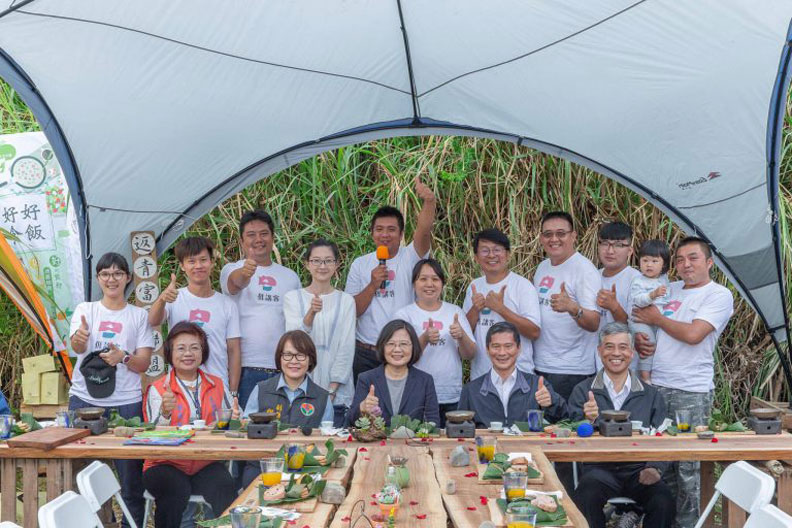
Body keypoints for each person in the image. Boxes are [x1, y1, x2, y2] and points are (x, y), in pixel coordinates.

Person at [632, 237, 734, 527]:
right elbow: (641, 315)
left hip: (691, 390)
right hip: (656, 385)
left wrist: (657, 319)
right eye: (679, 259)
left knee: (688, 466)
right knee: (658, 464)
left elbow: (693, 335)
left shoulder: (718, 295)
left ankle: (690, 524)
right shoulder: (670, 288)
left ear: (709, 263)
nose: (685, 264)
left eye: (693, 258)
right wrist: (644, 340)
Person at [68, 252, 153, 527]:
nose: (111, 279)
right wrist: (80, 339)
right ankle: (101, 523)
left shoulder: (139, 315)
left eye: (118, 273)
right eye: (105, 273)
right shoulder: (85, 310)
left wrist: (123, 358)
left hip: (125, 404)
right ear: (98, 278)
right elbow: (77, 348)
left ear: (128, 277)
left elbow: (144, 363)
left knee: (130, 481)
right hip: (84, 401)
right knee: (81, 477)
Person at [568, 322, 674, 528]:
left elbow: (665, 436)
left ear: (632, 352)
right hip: (598, 470)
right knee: (585, 494)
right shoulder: (582, 391)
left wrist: (655, 468)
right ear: (599, 351)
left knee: (663, 500)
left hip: (639, 470)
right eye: (609, 346)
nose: (616, 353)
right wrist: (586, 421)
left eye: (623, 347)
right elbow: (569, 435)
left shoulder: (650, 395)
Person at [142, 322, 237, 527]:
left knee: (225, 484)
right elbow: (150, 435)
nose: (188, 353)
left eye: (195, 347)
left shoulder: (217, 384)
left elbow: (232, 420)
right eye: (181, 348)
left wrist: (234, 419)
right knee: (175, 488)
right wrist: (165, 413)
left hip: (205, 461)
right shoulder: (158, 388)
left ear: (203, 352)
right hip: (164, 464)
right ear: (170, 352)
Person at [345, 177, 437, 383]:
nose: (385, 235)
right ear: (372, 233)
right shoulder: (360, 264)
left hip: (401, 351)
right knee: (366, 411)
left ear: (402, 233)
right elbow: (352, 311)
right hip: (366, 352)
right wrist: (372, 285)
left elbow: (424, 231)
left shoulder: (411, 257)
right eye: (379, 229)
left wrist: (429, 201)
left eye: (391, 229)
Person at [221, 210, 301, 408]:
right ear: (241, 241)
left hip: (284, 367)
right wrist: (246, 272)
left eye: (264, 233)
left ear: (273, 237)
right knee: (247, 430)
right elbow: (235, 283)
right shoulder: (231, 269)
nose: (258, 239)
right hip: (245, 368)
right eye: (251, 235)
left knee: (283, 427)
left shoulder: (290, 276)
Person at [148, 236, 241, 397]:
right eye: (191, 261)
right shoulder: (174, 298)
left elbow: (234, 351)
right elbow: (153, 320)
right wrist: (162, 299)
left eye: (203, 260)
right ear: (182, 266)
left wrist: (233, 392)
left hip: (217, 386)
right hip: (179, 389)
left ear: (212, 262)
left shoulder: (227, 305)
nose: (198, 266)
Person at [241, 329, 334, 487]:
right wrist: (239, 422)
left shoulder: (322, 397)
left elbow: (326, 442)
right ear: (280, 358)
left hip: (304, 469)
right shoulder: (261, 389)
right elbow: (246, 429)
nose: (294, 361)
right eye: (288, 355)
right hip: (263, 467)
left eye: (301, 355)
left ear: (310, 360)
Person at [394, 258, 476, 426]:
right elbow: (399, 357)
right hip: (415, 394)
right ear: (414, 284)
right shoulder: (404, 315)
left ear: (442, 283)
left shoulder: (455, 311)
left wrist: (461, 336)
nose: (429, 284)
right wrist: (424, 338)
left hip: (450, 394)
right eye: (423, 279)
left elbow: (470, 354)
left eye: (435, 279)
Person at [283, 239, 356, 427]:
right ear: (307, 264)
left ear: (337, 264)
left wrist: (331, 390)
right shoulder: (293, 298)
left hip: (337, 392)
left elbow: (346, 347)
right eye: (316, 261)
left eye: (328, 261)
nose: (322, 266)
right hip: (300, 389)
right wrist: (311, 314)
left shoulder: (346, 301)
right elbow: (293, 341)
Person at [532, 211, 601, 400]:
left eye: (561, 233)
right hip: (541, 365)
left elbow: (594, 322)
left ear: (573, 236)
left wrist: (572, 308)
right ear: (541, 238)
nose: (554, 239)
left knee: (566, 428)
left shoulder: (584, 270)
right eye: (548, 234)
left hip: (572, 370)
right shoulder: (542, 267)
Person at [462, 228, 541, 380]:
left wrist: (501, 309)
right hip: (482, 377)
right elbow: (465, 335)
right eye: (485, 250)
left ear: (507, 255)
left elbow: (534, 332)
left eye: (497, 250)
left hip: (519, 377)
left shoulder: (522, 286)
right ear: (476, 257)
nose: (491, 255)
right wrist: (475, 309)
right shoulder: (474, 286)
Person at [458, 322, 567, 429]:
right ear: (487, 350)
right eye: (496, 346)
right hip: (487, 446)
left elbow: (564, 421)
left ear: (519, 349)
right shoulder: (471, 390)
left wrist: (551, 403)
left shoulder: (536, 385)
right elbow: (461, 430)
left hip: (526, 446)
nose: (502, 353)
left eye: (508, 346)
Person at [348, 319, 440, 426]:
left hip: (414, 442)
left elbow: (433, 422)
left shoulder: (425, 381)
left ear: (413, 347)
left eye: (404, 344)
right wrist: (362, 408)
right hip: (376, 441)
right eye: (391, 344)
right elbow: (350, 421)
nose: (397, 349)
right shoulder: (367, 378)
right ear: (382, 347)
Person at [594, 221, 641, 371]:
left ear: (630, 250)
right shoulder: (592, 276)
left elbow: (637, 330)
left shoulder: (637, 281)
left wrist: (614, 307)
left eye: (619, 245)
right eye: (605, 243)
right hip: (594, 362)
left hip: (624, 366)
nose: (610, 250)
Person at [628, 239, 671, 383]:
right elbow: (638, 301)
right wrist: (652, 295)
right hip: (640, 320)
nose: (649, 265)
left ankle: (653, 372)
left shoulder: (664, 279)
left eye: (654, 261)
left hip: (656, 320)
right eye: (645, 260)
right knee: (648, 343)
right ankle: (645, 376)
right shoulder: (638, 281)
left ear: (663, 264)